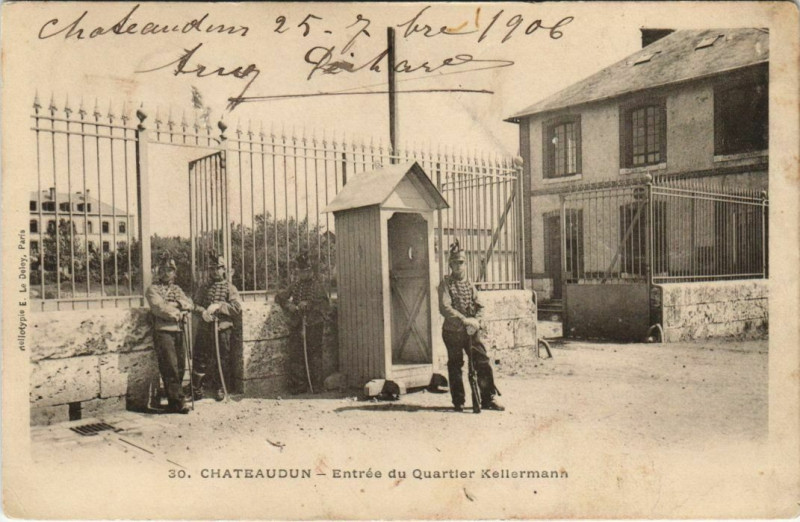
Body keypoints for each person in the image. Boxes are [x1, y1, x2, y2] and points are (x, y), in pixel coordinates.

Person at [438, 240, 504, 412]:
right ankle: (458, 401)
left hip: (471, 331)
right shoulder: (445, 284)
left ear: (465, 264)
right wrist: (464, 320)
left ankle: (488, 398)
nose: (458, 266)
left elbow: (480, 306)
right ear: (450, 265)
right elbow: (445, 307)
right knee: (455, 364)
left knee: (482, 361)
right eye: (455, 263)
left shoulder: (470, 285)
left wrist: (477, 321)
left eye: (461, 263)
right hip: (452, 332)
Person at [145, 253, 199, 414]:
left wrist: (176, 304)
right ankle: (177, 402)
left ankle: (175, 397)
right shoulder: (152, 289)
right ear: (158, 271)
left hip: (179, 331)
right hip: (163, 332)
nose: (167, 273)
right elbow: (160, 309)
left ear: (174, 273)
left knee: (181, 365)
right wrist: (178, 309)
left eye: (170, 270)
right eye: (163, 269)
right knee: (170, 367)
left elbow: (190, 304)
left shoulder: (177, 289)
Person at [275, 253, 331, 394]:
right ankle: (299, 385)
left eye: (305, 271)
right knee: (296, 354)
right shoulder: (296, 285)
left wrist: (310, 305)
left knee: (314, 355)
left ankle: (316, 384)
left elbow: (325, 306)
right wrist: (289, 305)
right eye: (300, 271)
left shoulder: (318, 286)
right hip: (298, 324)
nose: (302, 274)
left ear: (311, 271)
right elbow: (280, 297)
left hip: (314, 325)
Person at [192, 255, 242, 401]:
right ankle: (197, 388)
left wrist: (220, 306)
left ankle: (221, 386)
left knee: (223, 357)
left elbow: (236, 308)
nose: (214, 272)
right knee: (200, 356)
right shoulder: (203, 288)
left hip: (222, 328)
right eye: (211, 269)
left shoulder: (230, 288)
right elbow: (194, 305)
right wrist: (203, 312)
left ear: (224, 270)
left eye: (217, 268)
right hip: (205, 326)